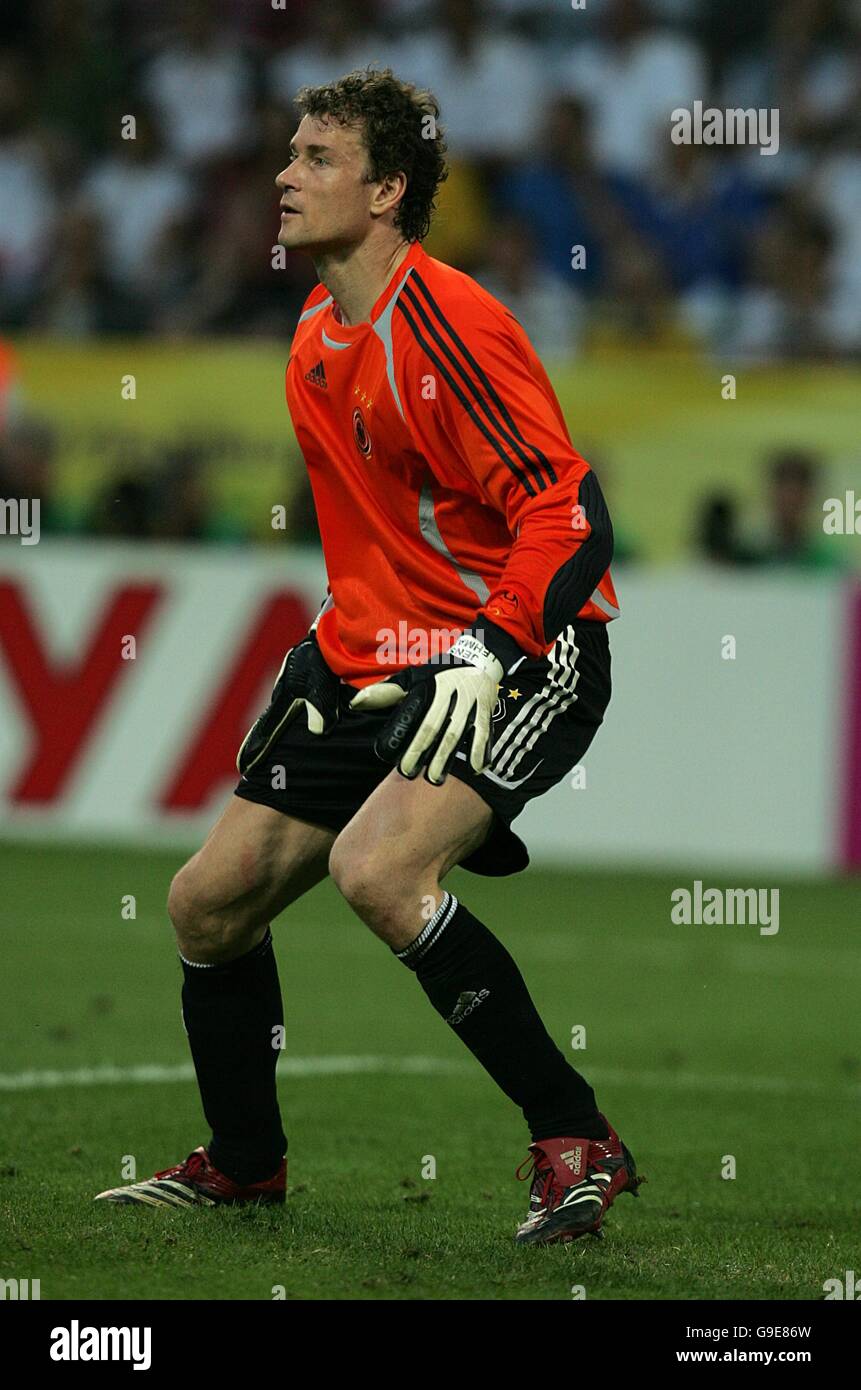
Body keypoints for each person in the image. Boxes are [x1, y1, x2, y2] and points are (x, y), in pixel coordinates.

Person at [94, 67, 643, 1246]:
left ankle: (575, 1135)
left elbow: (572, 512)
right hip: (370, 664)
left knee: (380, 874)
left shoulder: (451, 322)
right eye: (288, 154)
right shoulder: (310, 332)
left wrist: (494, 648)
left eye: (319, 160)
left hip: (525, 652)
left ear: (389, 190)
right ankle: (245, 1168)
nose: (286, 175)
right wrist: (329, 665)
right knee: (207, 904)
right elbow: (381, 540)